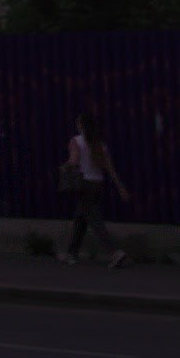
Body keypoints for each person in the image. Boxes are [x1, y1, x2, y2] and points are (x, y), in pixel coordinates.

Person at [62, 110, 132, 268]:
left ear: (80, 126)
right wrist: (120, 187)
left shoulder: (76, 141)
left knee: (94, 221)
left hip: (84, 184)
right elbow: (109, 168)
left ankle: (115, 253)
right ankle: (71, 254)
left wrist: (64, 167)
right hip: (98, 184)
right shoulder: (100, 144)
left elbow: (73, 161)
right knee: (81, 219)